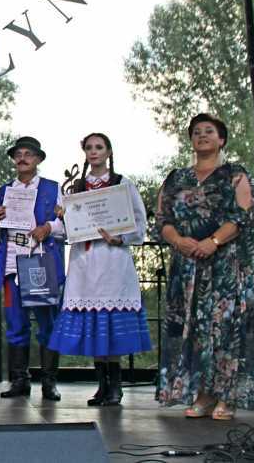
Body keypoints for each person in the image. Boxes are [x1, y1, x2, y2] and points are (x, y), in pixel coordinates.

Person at [156, 113, 254, 420]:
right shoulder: (176, 178)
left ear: (221, 139)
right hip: (188, 268)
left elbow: (242, 216)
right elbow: (163, 219)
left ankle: (227, 396)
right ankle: (203, 394)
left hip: (227, 265)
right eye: (197, 131)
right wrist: (178, 240)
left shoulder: (235, 174)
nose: (202, 135)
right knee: (195, 328)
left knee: (225, 327)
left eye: (209, 131)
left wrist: (213, 241)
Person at [48, 133, 151, 406]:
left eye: (99, 147)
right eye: (89, 148)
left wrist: (121, 238)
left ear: (108, 152)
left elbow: (139, 223)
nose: (94, 152)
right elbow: (68, 231)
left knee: (110, 322)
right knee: (94, 323)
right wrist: (63, 218)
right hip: (84, 261)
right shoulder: (76, 188)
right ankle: (102, 385)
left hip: (112, 260)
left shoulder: (122, 184)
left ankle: (115, 387)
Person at [0, 136, 65, 401]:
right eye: (18, 154)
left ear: (38, 159)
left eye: (28, 154)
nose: (23, 158)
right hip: (12, 264)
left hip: (39, 262)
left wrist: (48, 227)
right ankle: (19, 381)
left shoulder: (53, 188)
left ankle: (49, 382)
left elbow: (67, 224)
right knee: (15, 323)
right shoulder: (3, 191)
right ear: (14, 159)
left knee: (47, 323)